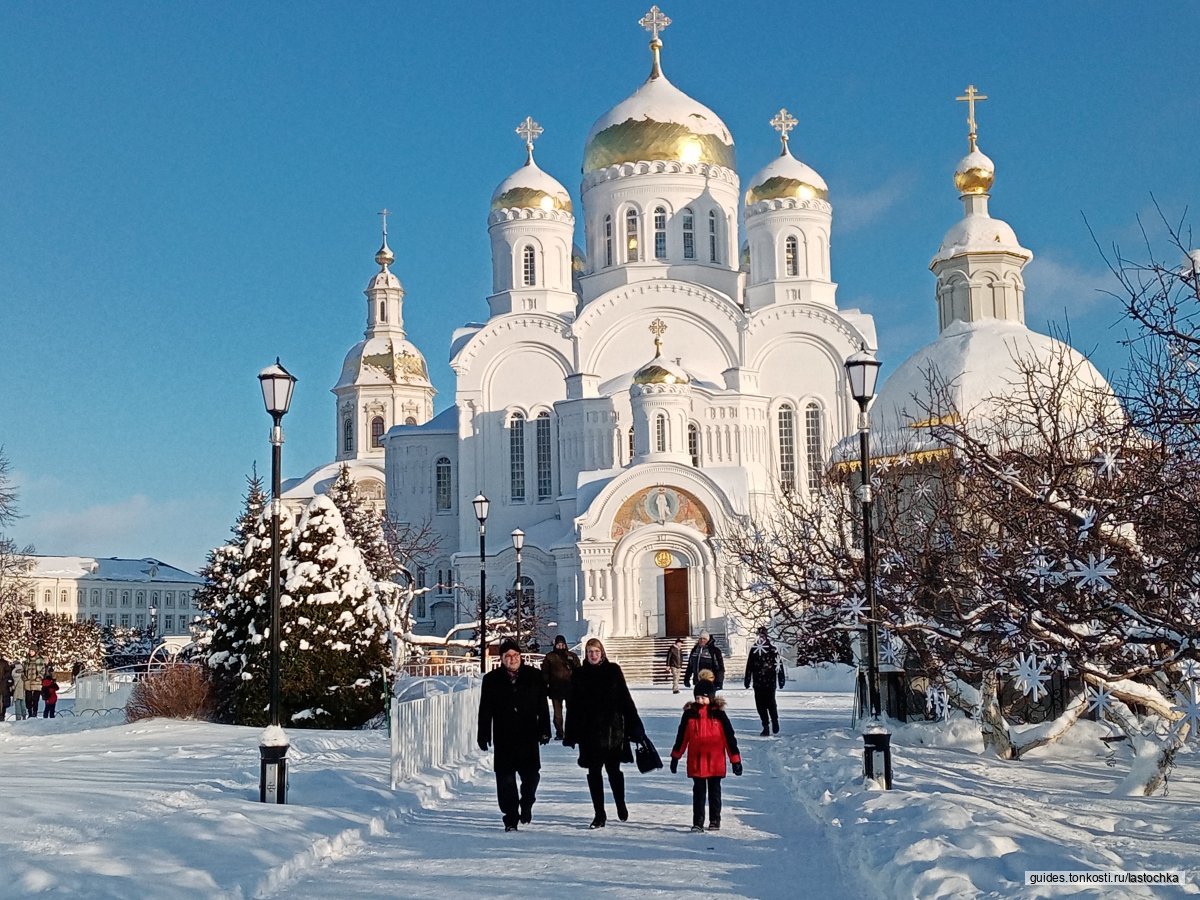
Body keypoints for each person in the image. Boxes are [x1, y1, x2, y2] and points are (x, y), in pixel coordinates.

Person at [564, 637, 645, 829]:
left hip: (612, 731)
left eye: (596, 651)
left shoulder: (613, 671)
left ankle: (620, 802)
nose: (593, 655)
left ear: (602, 653)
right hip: (589, 732)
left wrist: (635, 725)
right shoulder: (579, 674)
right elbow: (572, 705)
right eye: (590, 652)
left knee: (614, 770)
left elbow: (625, 699)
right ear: (586, 654)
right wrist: (570, 733)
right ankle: (599, 813)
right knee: (594, 772)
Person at [476, 638, 551, 832]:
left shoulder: (534, 676)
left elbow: (542, 706)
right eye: (508, 656)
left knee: (531, 776)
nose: (512, 659)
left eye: (515, 655)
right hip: (504, 736)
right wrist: (483, 734)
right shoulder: (491, 680)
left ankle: (526, 803)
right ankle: (510, 817)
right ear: (501, 658)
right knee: (505, 780)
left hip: (528, 735)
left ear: (521, 656)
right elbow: (485, 710)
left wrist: (544, 730)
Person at [669, 671, 742, 832]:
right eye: (697, 698)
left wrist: (735, 760)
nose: (700, 701)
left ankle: (715, 820)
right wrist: (676, 757)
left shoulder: (719, 715)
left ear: (711, 697)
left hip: (715, 761)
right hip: (697, 761)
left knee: (715, 793)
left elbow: (729, 738)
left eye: (703, 697)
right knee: (699, 793)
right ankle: (698, 822)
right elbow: (682, 737)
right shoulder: (690, 715)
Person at [743, 627, 786, 736]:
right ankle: (765, 725)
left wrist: (781, 678)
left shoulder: (772, 649)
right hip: (758, 682)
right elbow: (749, 666)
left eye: (762, 636)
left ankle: (774, 720)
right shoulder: (754, 650)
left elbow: (778, 664)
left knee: (771, 703)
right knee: (760, 705)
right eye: (759, 636)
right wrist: (747, 678)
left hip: (770, 681)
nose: (761, 638)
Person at [541, 634, 580, 741]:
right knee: (558, 714)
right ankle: (560, 732)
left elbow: (578, 671)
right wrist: (545, 685)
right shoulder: (550, 657)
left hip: (570, 688)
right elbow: (545, 673)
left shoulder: (571, 656)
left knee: (571, 712)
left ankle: (570, 732)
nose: (560, 647)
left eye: (562, 645)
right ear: (555, 645)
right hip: (555, 688)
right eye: (558, 645)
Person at [0, 656, 11, 722]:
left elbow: (8, 672)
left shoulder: (4, 663)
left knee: (3, 702)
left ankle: (2, 715)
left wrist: (5, 679)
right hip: (3, 686)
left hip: (3, 686)